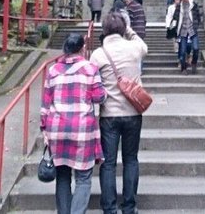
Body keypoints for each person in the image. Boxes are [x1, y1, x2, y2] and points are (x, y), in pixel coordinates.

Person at [41, 33, 106, 214]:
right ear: (82, 48)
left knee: (62, 176)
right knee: (83, 178)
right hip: (82, 129)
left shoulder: (53, 70)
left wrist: (44, 128)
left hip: (57, 128)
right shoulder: (90, 69)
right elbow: (99, 97)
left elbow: (46, 103)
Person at [90, 12, 147, 214]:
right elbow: (143, 45)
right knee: (131, 159)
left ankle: (109, 207)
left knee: (109, 163)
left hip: (109, 115)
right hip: (133, 112)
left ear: (104, 30)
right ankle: (129, 206)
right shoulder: (134, 48)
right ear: (123, 29)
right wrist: (128, 28)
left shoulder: (98, 54)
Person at [165, 0, 202, 74]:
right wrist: (172, 27)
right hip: (182, 31)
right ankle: (183, 68)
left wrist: (196, 26)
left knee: (196, 48)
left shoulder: (194, 4)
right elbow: (175, 18)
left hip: (192, 30)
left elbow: (198, 17)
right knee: (182, 51)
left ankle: (194, 63)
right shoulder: (179, 6)